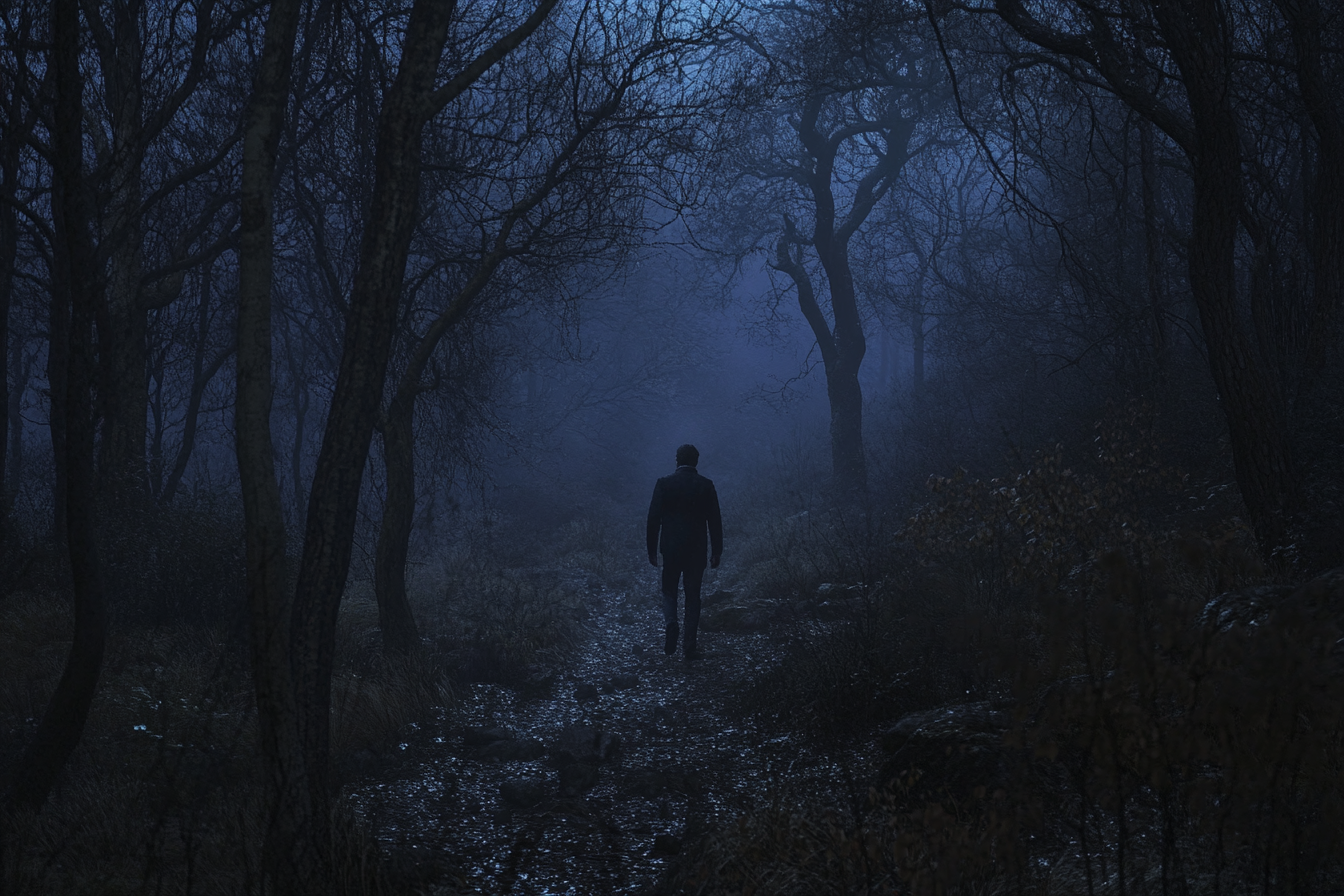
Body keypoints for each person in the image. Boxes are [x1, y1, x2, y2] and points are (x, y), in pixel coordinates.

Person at [646, 444, 723, 661]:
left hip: (670, 548)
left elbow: (653, 519)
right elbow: (715, 520)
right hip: (696, 549)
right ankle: (689, 646)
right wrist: (717, 550)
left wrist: (651, 550)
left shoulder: (664, 484)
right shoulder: (706, 486)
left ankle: (671, 622)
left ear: (677, 461)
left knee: (669, 590)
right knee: (693, 596)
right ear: (696, 461)